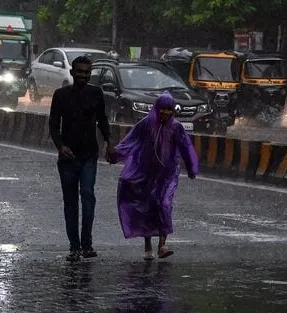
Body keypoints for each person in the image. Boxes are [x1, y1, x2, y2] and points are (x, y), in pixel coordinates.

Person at [110, 91, 198, 260]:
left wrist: (192, 167)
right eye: (162, 109)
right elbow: (130, 140)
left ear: (173, 111)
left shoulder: (176, 127)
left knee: (164, 203)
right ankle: (148, 245)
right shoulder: (146, 124)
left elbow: (186, 147)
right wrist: (116, 154)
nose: (165, 113)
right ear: (157, 108)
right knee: (147, 206)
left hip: (168, 174)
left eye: (169, 109)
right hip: (146, 173)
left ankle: (162, 245)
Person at [49, 55, 114, 262]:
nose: (83, 75)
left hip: (89, 155)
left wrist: (109, 142)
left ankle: (87, 244)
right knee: (70, 203)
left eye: (87, 72)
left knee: (87, 195)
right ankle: (74, 247)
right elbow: (53, 125)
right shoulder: (60, 95)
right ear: (72, 72)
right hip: (68, 158)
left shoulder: (96, 94)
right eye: (80, 72)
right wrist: (61, 147)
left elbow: (102, 120)